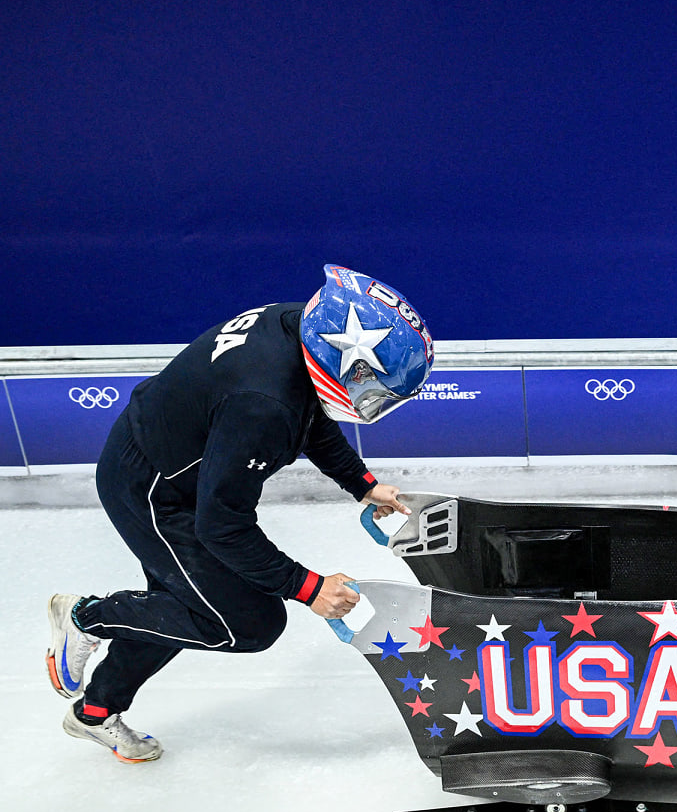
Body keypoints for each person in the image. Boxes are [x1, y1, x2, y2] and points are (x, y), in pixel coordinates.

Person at [45, 264, 434, 762]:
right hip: (153, 489)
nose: (367, 400)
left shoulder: (298, 326)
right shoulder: (263, 405)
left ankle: (94, 714)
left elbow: (309, 411)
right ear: (339, 358)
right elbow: (221, 523)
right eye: (369, 386)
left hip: (167, 457)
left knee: (183, 606)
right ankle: (86, 617)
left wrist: (362, 484)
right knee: (245, 623)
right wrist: (308, 587)